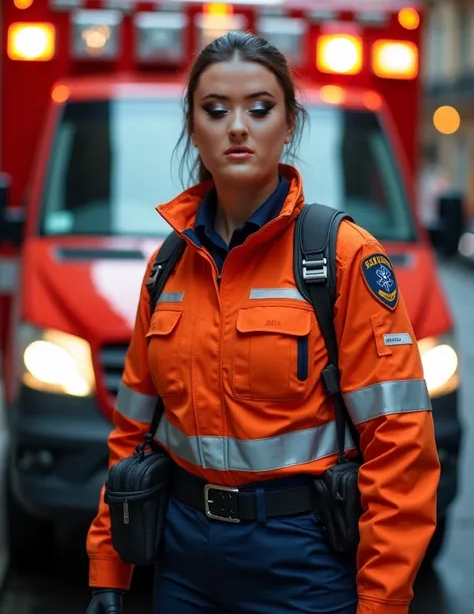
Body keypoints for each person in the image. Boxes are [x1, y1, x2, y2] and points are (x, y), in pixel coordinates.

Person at [85, 30, 440, 614]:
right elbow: (131, 435)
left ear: (290, 124)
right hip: (184, 563)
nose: (238, 127)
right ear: (193, 128)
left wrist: (382, 600)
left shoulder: (342, 256)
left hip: (304, 562)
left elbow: (400, 445)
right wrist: (108, 567)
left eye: (260, 107)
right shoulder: (168, 266)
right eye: (215, 110)